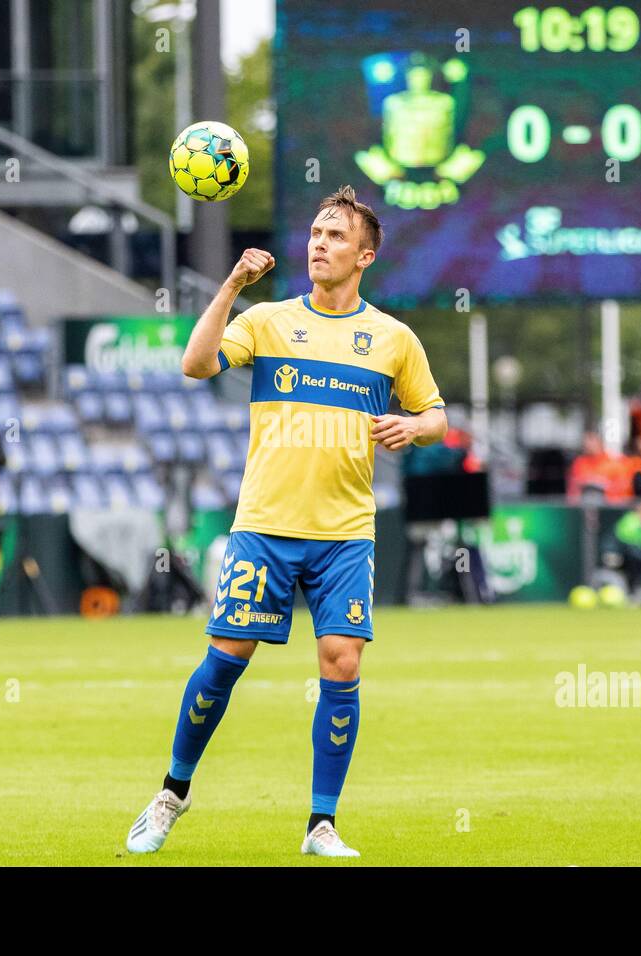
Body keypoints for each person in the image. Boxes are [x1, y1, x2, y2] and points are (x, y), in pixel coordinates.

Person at [126, 185, 447, 858]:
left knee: (342, 661)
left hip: (345, 535)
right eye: (315, 233)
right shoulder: (268, 319)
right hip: (265, 527)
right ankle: (172, 793)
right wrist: (232, 284)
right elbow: (194, 364)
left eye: (334, 235)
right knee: (222, 665)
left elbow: (437, 418)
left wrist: (413, 426)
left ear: (365, 254)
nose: (318, 243)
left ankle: (320, 824)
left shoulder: (392, 339)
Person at [567, 431, 622, 501]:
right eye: (586, 442)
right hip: (584, 506)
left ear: (600, 442)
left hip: (607, 507)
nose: (588, 445)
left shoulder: (613, 464)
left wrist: (603, 484)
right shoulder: (579, 463)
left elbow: (621, 491)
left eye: (591, 440)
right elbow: (572, 489)